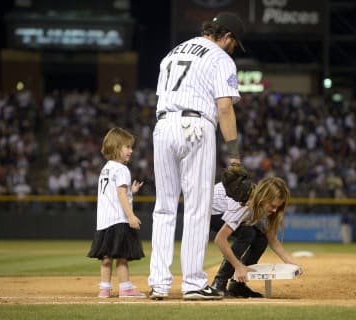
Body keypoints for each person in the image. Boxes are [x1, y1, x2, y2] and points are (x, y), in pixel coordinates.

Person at [148, 12, 246, 300]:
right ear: (226, 36)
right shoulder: (220, 57)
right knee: (197, 207)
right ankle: (192, 283)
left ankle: (159, 283)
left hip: (163, 125)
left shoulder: (172, 53)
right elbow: (225, 107)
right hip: (196, 125)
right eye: (234, 43)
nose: (233, 48)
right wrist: (234, 156)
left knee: (164, 207)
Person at [212, 176, 302, 298]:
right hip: (210, 210)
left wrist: (291, 263)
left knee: (261, 239)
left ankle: (238, 286)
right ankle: (219, 284)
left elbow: (272, 240)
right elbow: (220, 239)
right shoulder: (243, 203)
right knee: (248, 232)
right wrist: (238, 266)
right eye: (272, 205)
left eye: (278, 207)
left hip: (224, 209)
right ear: (263, 199)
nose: (275, 210)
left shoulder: (262, 207)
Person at [87, 127, 146, 299]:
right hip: (119, 220)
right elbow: (120, 194)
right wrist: (131, 216)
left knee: (106, 257)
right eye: (127, 147)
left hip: (104, 221)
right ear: (116, 147)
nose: (131, 150)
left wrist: (131, 191)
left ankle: (104, 289)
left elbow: (115, 193)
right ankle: (125, 288)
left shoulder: (106, 168)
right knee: (121, 256)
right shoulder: (122, 169)